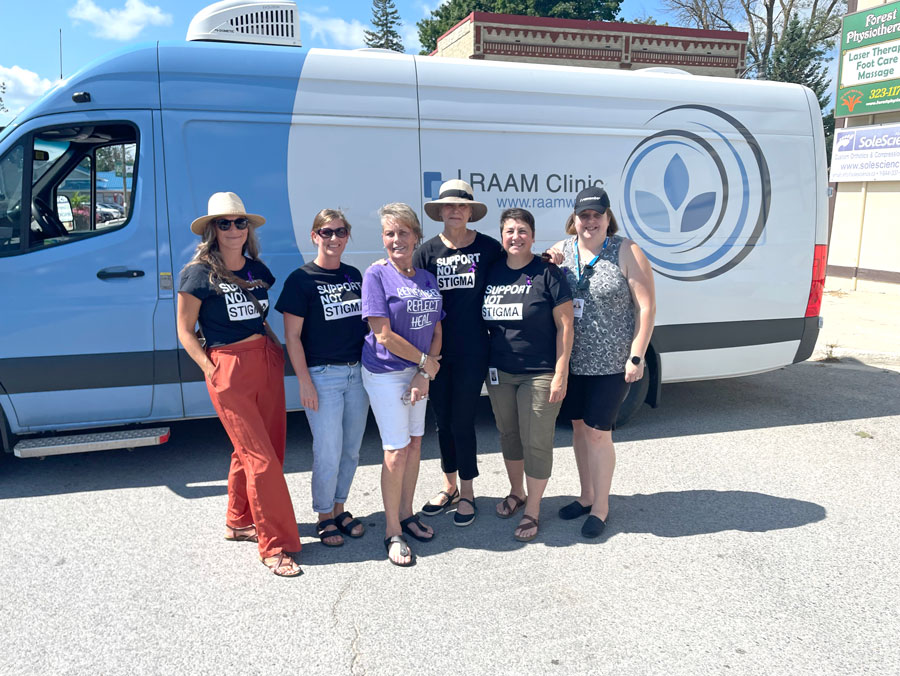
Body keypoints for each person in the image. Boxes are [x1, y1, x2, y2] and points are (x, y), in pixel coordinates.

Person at [177, 191, 301, 577]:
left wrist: (274, 349)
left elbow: (259, 317)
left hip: (265, 360)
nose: (233, 229)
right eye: (224, 223)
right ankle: (275, 545)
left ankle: (238, 520)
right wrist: (209, 367)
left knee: (260, 450)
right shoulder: (198, 273)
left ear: (248, 228)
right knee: (261, 459)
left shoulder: (257, 269)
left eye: (239, 222)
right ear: (212, 230)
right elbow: (184, 330)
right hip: (228, 367)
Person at [548, 186, 656, 538]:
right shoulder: (562, 251)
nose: (590, 221)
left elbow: (646, 307)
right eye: (584, 215)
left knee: (598, 433)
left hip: (611, 364)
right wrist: (547, 262)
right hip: (572, 361)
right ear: (575, 219)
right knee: (579, 429)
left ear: (608, 218)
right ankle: (586, 495)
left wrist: (636, 355)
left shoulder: (626, 250)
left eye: (597, 215)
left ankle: (601, 507)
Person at [276, 209, 369, 548]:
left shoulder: (353, 275)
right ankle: (324, 515)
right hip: (322, 376)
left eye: (340, 232)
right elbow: (293, 337)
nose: (334, 238)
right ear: (314, 236)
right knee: (328, 451)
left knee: (351, 450)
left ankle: (340, 508)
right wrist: (304, 381)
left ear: (347, 236)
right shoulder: (300, 280)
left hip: (357, 374)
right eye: (326, 232)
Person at [414, 179, 503, 527]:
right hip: (435, 352)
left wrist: (548, 258)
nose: (455, 211)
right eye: (449, 206)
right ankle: (448, 486)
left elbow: (517, 270)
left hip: (473, 349)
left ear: (470, 211)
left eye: (461, 205)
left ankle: (468, 492)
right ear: (440, 212)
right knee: (443, 421)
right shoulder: (426, 252)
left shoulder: (489, 248)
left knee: (463, 420)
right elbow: (409, 288)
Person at [482, 208, 573, 542]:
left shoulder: (548, 272)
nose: (516, 237)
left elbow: (566, 325)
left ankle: (533, 509)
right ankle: (516, 492)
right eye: (509, 231)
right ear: (501, 237)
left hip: (540, 372)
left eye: (522, 231)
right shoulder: (491, 271)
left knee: (536, 440)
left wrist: (561, 372)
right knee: (509, 434)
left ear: (533, 236)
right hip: (499, 371)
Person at [361, 203, 444, 566]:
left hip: (418, 373)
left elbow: (437, 329)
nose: (397, 239)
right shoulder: (376, 275)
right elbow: (382, 334)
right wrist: (425, 364)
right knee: (395, 449)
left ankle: (407, 514)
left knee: (414, 444)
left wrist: (424, 372)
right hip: (386, 372)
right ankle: (392, 529)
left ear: (416, 237)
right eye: (389, 233)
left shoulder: (426, 278)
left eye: (403, 232)